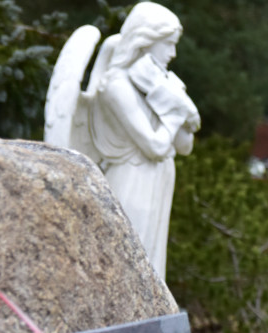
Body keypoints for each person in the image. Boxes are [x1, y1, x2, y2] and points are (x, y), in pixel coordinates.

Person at [91, 1, 199, 280]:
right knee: (125, 268)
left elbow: (184, 146)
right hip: (133, 180)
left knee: (152, 269)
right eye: (168, 44)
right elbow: (153, 146)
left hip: (160, 178)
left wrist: (174, 100)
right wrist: (175, 112)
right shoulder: (116, 84)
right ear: (145, 39)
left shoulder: (161, 83)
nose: (173, 54)